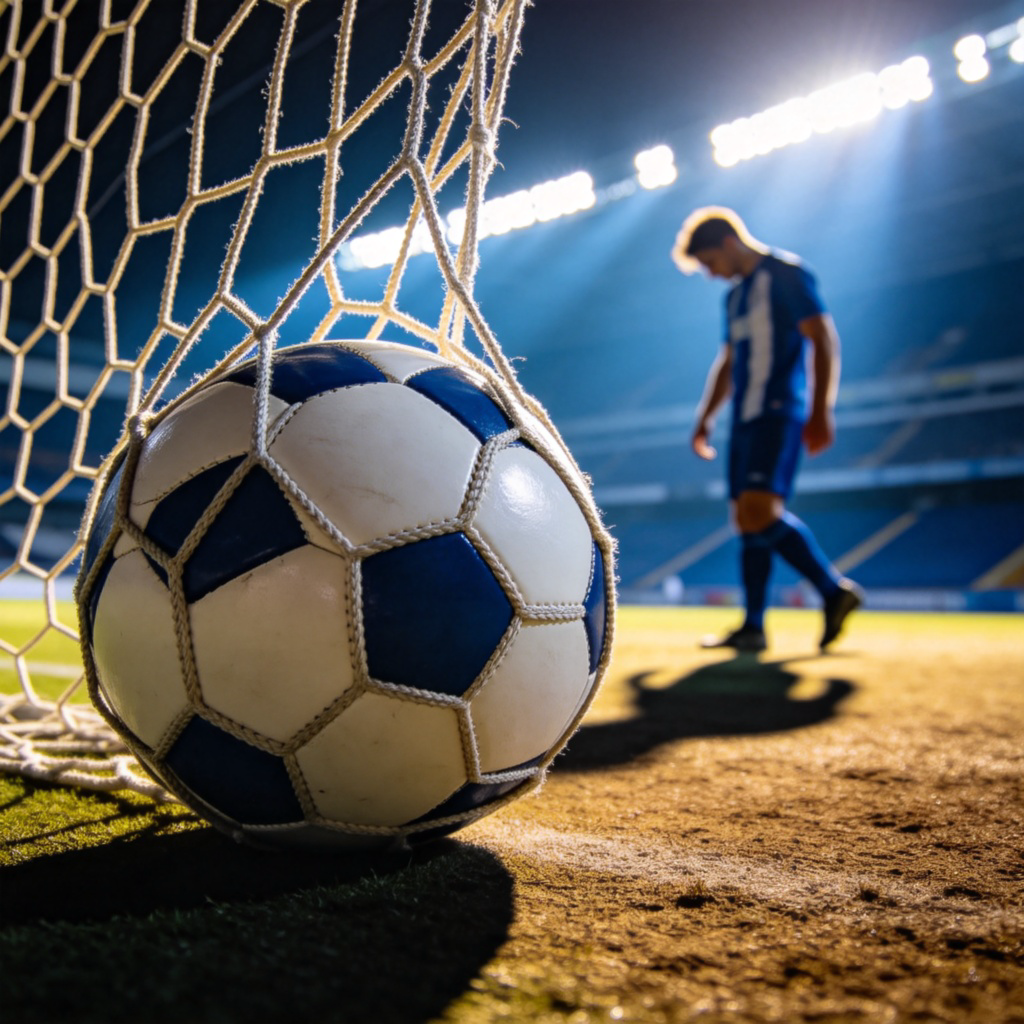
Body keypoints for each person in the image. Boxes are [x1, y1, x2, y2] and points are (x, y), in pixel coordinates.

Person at [671, 206, 862, 652]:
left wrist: (821, 410)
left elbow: (822, 337)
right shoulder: (735, 297)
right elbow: (730, 360)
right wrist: (706, 417)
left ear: (729, 244)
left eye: (710, 264)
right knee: (745, 520)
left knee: (759, 511)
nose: (712, 275)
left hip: (779, 411)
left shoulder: (787, 274)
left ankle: (834, 592)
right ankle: (754, 626)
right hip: (744, 419)